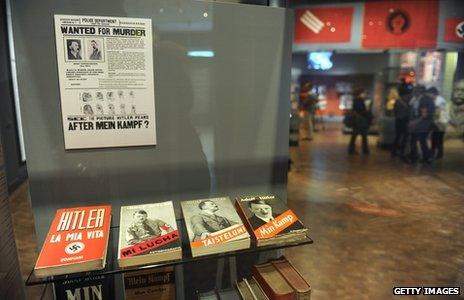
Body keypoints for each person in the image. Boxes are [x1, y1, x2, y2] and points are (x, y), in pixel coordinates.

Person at [408, 85, 435, 163]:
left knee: (420, 139)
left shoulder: (425, 100)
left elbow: (424, 114)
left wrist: (414, 122)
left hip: (423, 123)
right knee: (418, 139)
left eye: (415, 90)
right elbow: (412, 109)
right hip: (420, 122)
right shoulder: (417, 99)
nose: (413, 92)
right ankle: (421, 156)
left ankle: (423, 157)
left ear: (419, 91)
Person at [391, 83, 412, 158]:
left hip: (398, 120)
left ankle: (394, 151)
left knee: (398, 136)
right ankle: (402, 152)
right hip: (404, 120)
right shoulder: (405, 102)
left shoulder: (397, 101)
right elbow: (408, 111)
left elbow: (394, 112)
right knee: (404, 137)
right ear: (404, 95)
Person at [348, 88, 370, 155]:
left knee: (355, 135)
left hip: (357, 120)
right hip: (360, 120)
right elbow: (361, 110)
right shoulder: (359, 100)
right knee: (363, 135)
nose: (364, 94)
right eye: (363, 93)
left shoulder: (356, 100)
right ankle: (364, 150)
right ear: (360, 93)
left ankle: (351, 149)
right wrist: (367, 113)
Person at [428, 87, 448, 159]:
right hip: (439, 122)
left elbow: (438, 112)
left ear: (433, 94)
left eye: (429, 94)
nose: (429, 96)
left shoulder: (439, 100)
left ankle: (436, 153)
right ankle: (438, 153)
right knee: (437, 138)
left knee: (437, 138)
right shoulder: (438, 99)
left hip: (440, 123)